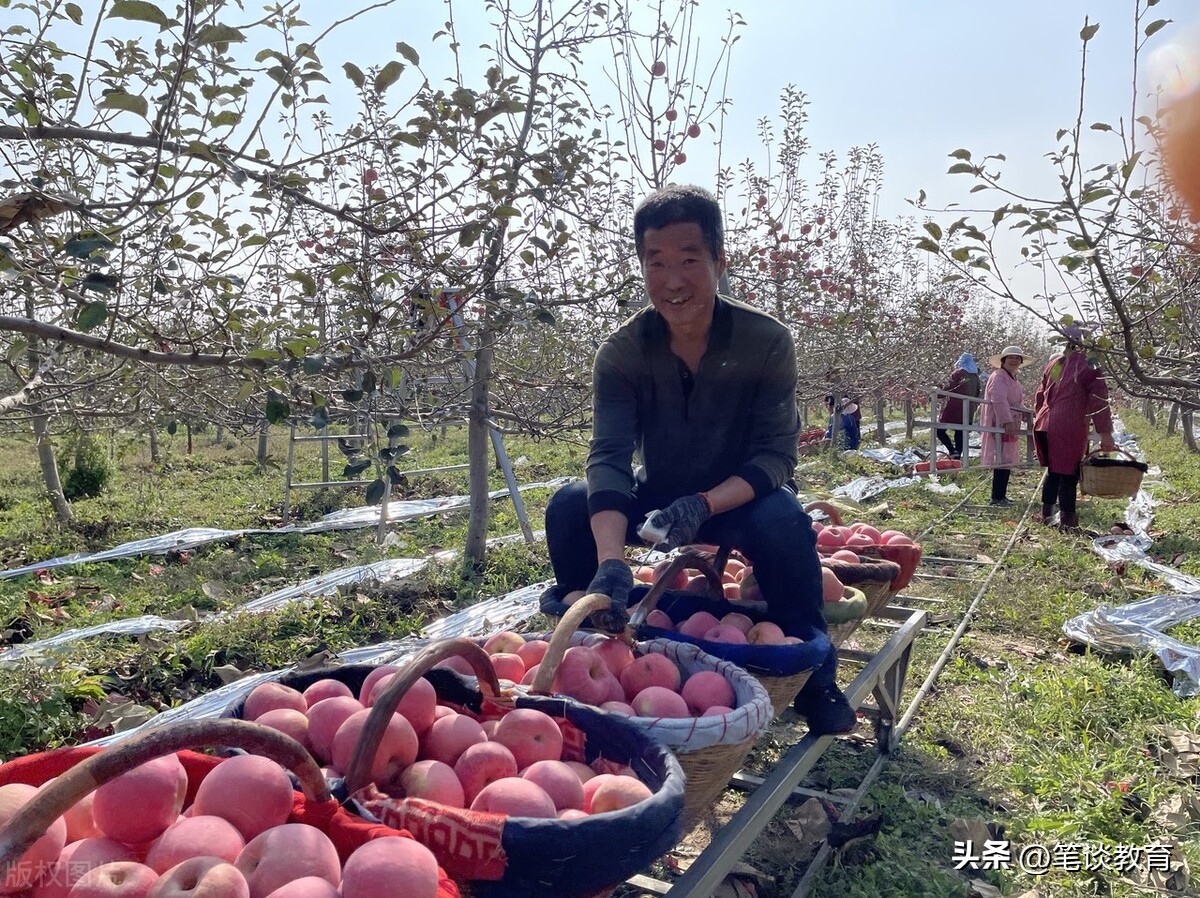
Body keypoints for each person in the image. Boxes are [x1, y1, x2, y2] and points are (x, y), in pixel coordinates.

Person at [543, 184, 856, 735]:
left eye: (689, 260)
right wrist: (613, 558)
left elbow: (777, 456)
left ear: (718, 260)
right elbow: (610, 456)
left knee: (785, 524)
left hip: (740, 498)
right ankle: (599, 640)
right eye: (656, 262)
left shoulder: (765, 340)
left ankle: (815, 677)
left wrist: (706, 503)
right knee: (569, 506)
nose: (672, 280)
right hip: (662, 495)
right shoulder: (623, 351)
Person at [1032, 327, 1118, 529]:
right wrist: (1105, 433)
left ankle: (1046, 514)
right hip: (1067, 424)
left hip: (1044, 423)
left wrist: (1041, 416)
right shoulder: (1090, 365)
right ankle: (1068, 523)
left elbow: (1039, 395)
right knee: (1069, 473)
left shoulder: (1055, 363)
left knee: (1054, 471)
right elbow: (1099, 400)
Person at [979, 346, 1030, 506]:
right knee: (1001, 458)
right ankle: (996, 496)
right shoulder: (999, 376)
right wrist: (1006, 420)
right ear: (1003, 360)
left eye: (1017, 358)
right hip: (1000, 421)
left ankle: (1001, 495)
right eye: (1010, 358)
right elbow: (999, 399)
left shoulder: (1012, 378)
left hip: (1010, 420)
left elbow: (1016, 402)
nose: (1014, 361)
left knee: (1006, 458)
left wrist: (1026, 413)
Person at [936, 353, 981, 459]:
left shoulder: (958, 373)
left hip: (955, 407)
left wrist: (937, 394)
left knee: (940, 430)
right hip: (969, 409)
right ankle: (957, 457)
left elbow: (950, 388)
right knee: (961, 432)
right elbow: (977, 393)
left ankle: (952, 451)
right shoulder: (975, 376)